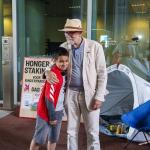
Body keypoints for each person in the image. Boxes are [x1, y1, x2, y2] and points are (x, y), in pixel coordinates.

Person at [45, 18, 107, 150]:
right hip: (70, 94)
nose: (68, 35)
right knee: (71, 131)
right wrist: (47, 72)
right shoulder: (64, 46)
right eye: (66, 32)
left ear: (80, 32)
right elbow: (50, 65)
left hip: (90, 94)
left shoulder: (95, 47)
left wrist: (99, 96)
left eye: (72, 32)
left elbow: (102, 74)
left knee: (92, 132)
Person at [30, 47, 69, 150]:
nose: (64, 64)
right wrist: (52, 117)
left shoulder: (63, 73)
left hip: (58, 110)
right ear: (54, 61)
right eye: (61, 61)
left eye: (66, 61)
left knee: (53, 138)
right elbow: (49, 98)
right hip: (46, 112)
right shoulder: (54, 74)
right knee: (39, 139)